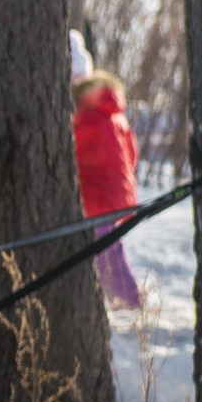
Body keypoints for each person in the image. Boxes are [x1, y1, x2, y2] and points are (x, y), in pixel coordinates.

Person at [69, 54, 144, 311]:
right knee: (109, 248)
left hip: (96, 193)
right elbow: (132, 151)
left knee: (107, 255)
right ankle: (126, 300)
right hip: (114, 191)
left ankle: (130, 303)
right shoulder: (113, 112)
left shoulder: (86, 116)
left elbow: (73, 151)